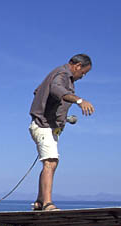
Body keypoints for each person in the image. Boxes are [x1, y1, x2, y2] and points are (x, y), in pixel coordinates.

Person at [29, 53, 95, 211]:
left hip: (47, 126)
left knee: (50, 163)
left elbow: (39, 91)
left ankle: (40, 201)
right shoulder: (63, 74)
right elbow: (56, 89)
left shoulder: (60, 74)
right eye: (84, 72)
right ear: (77, 66)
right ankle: (47, 203)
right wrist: (79, 101)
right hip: (43, 126)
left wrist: (63, 118)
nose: (83, 76)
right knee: (50, 162)